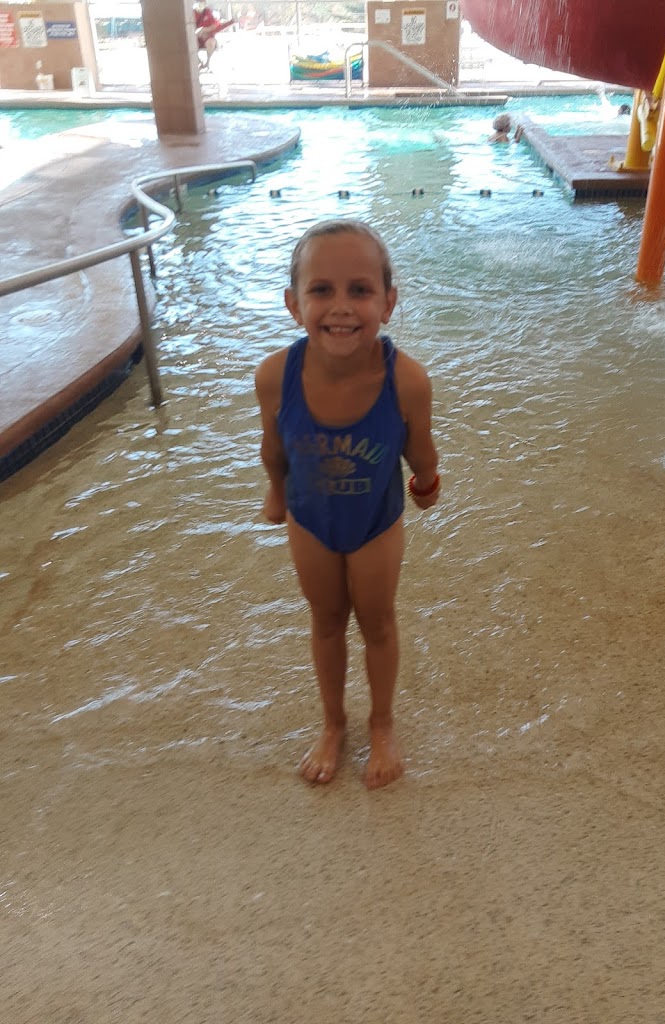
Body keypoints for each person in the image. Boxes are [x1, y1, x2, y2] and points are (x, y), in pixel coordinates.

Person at [254, 219, 440, 789]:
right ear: (294, 304)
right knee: (327, 619)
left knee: (377, 622)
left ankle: (381, 724)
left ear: (388, 302)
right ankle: (333, 724)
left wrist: (426, 483)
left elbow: (420, 447)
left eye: (360, 290)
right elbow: (274, 445)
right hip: (310, 520)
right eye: (321, 290)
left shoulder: (406, 381)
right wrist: (276, 492)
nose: (341, 307)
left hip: (375, 523)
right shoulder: (275, 375)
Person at [194, 2, 234, 70]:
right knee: (188, 44)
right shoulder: (190, 13)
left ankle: (207, 63)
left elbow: (215, 26)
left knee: (211, 42)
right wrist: (196, 33)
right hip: (195, 38)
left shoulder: (207, 12)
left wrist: (204, 30)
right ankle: (199, 62)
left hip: (208, 38)